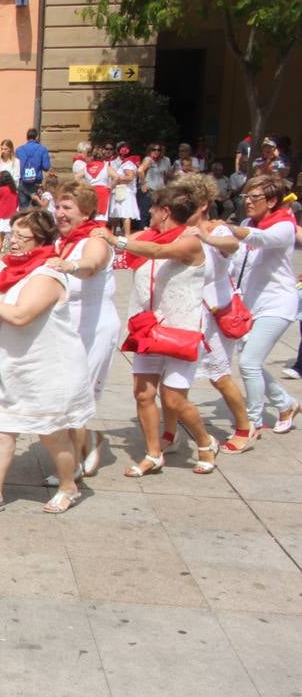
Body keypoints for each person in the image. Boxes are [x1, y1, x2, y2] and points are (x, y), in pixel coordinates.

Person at [0, 209, 95, 515]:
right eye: (13, 234)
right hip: (16, 366)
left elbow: (21, 316)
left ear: (41, 241)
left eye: (23, 237)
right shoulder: (13, 269)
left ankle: (69, 486)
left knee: (51, 433)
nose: (14, 242)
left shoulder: (46, 275)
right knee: (1, 429)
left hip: (49, 368)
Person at [96, 188, 218, 477]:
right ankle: (153, 453)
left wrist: (117, 239)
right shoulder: (146, 237)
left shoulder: (190, 240)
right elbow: (120, 252)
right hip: (147, 328)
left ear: (165, 211)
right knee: (143, 394)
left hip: (181, 330)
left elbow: (160, 251)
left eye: (152, 209)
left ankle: (204, 442)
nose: (148, 213)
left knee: (174, 400)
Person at [204, 175, 299, 433]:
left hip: (278, 303)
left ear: (271, 201)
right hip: (248, 305)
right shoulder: (247, 222)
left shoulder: (284, 225)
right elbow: (237, 260)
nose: (247, 202)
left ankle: (253, 421)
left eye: (254, 197)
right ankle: (285, 403)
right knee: (250, 361)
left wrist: (228, 229)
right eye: (246, 196)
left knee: (248, 363)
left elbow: (261, 239)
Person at [171, 174, 254, 453]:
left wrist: (205, 236)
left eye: (189, 203)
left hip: (215, 315)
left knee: (219, 375)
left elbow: (232, 245)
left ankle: (245, 426)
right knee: (173, 377)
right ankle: (170, 434)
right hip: (187, 313)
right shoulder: (179, 229)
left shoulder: (217, 230)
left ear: (204, 204)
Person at [44, 182, 117, 480]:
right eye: (58, 207)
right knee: (61, 395)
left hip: (93, 326)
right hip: (63, 327)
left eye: (67, 208)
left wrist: (70, 265)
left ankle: (72, 466)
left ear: (86, 211)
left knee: (76, 396)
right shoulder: (59, 240)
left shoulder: (94, 238)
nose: (59, 213)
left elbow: (93, 265)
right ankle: (87, 443)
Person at [73, 141, 113, 224]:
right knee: (101, 215)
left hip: (92, 190)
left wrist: (84, 186)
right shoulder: (105, 166)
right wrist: (110, 186)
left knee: (92, 214)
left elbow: (76, 177)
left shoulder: (87, 166)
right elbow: (117, 177)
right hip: (102, 190)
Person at [15, 128, 51, 208]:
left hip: (23, 183)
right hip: (36, 184)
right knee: (36, 212)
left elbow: (16, 167)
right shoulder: (42, 149)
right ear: (37, 137)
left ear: (27, 137)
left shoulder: (19, 150)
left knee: (23, 211)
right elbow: (46, 167)